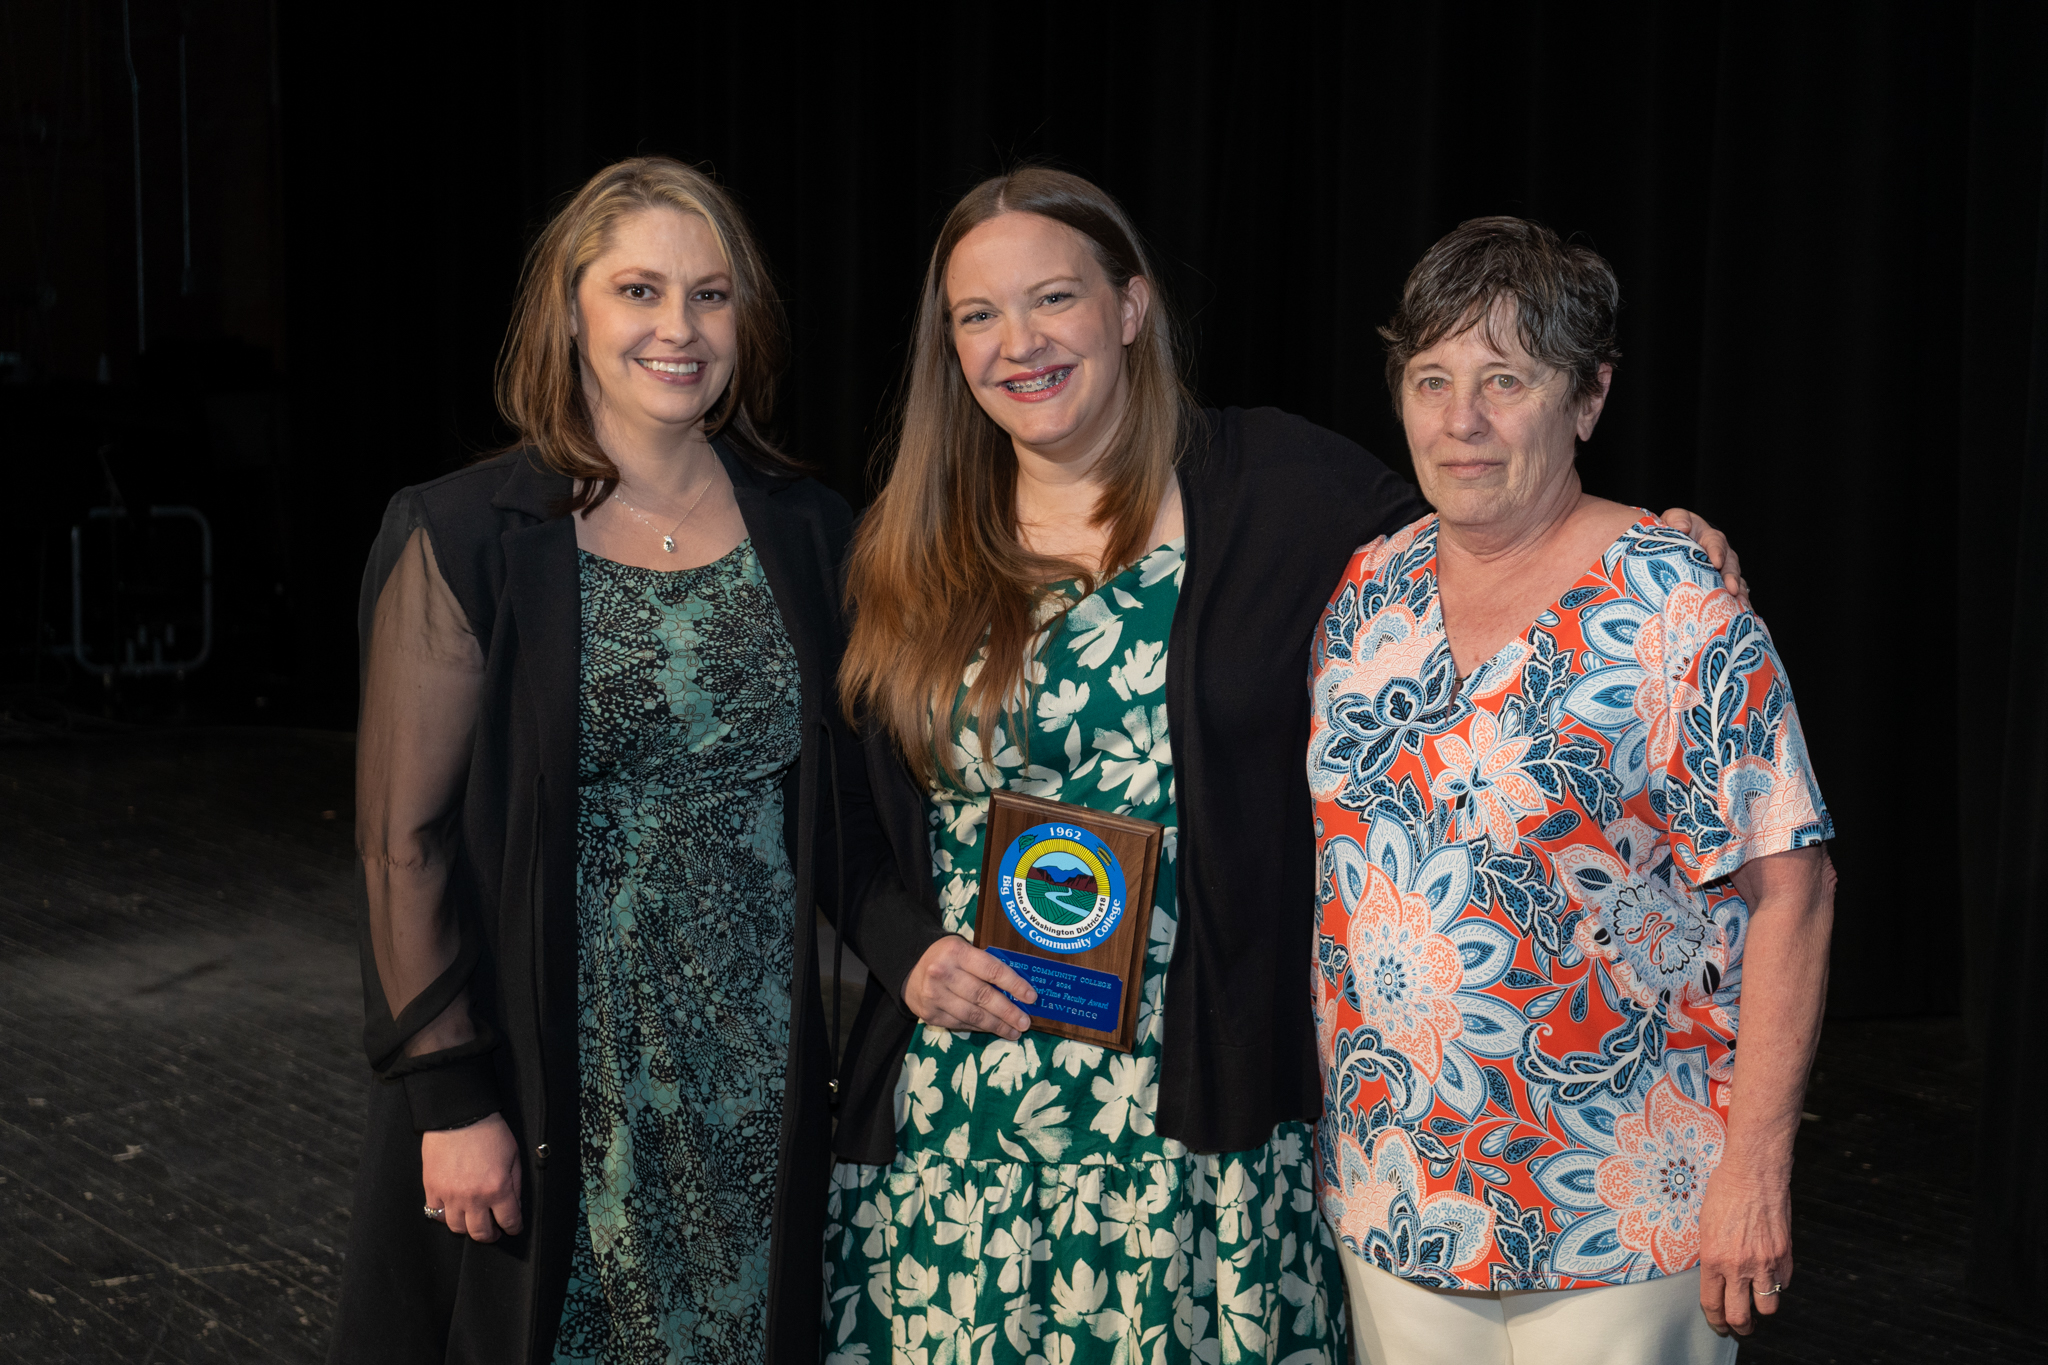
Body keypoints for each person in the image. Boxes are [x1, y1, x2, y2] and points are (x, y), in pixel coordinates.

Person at [822, 169, 1744, 1363]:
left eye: (1052, 298)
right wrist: (908, 956)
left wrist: (1649, 539)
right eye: (977, 316)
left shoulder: (1275, 488)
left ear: (1130, 308)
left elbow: (1487, 517)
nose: (1019, 343)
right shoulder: (907, 539)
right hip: (966, 1116)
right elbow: (836, 808)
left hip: (1199, 1116)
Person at [328, 156, 878, 1365]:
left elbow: (839, 814)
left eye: (711, 295)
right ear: (571, 311)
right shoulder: (467, 532)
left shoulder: (808, 528)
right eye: (639, 291)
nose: (678, 328)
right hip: (545, 1071)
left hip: (753, 1074)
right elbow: (398, 844)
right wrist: (450, 1100)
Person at [1306, 217, 1835, 1364]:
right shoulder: (1364, 590)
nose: (1461, 420)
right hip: (1399, 1194)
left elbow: (1792, 890)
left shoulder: (1673, 605)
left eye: (1506, 380)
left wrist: (1753, 1172)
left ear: (1586, 399)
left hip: (1624, 1212)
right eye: (1432, 378)